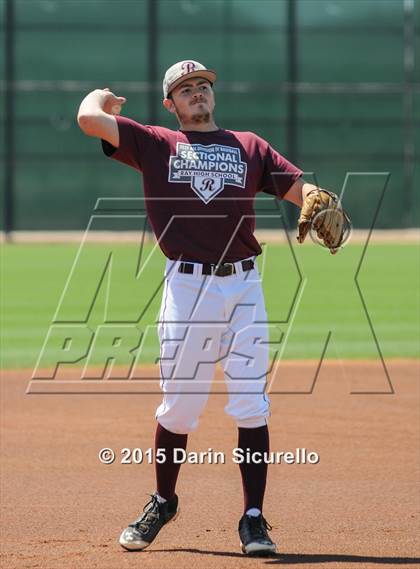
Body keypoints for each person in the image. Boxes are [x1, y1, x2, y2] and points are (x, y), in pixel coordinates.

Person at [77, 60, 316, 556]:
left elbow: (300, 188)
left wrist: (317, 198)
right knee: (180, 408)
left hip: (245, 286)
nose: (198, 93)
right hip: (186, 290)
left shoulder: (249, 146)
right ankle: (163, 500)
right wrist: (103, 97)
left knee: (251, 402)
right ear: (172, 103)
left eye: (203, 86)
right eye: (186, 88)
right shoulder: (156, 143)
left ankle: (253, 519)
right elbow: (87, 119)